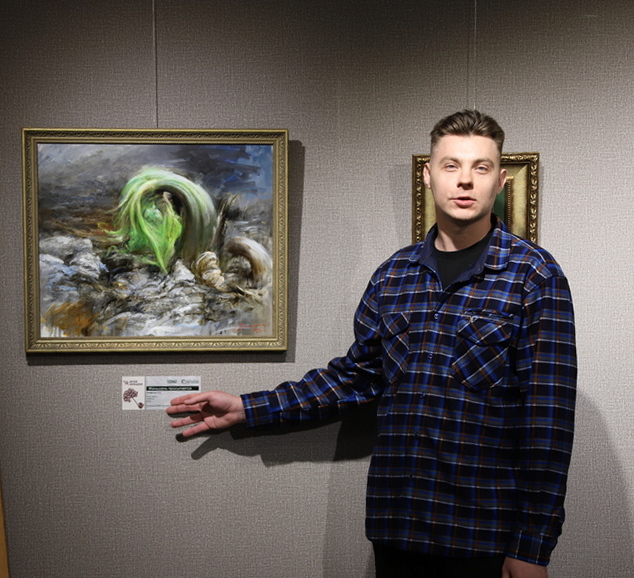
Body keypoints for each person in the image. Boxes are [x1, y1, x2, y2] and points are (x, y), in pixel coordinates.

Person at [167, 110, 577, 578]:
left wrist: (531, 547)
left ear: (500, 181)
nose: (465, 180)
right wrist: (247, 407)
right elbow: (354, 378)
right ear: (428, 175)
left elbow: (549, 420)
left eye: (480, 167)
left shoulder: (534, 276)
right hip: (397, 526)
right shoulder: (393, 275)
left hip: (482, 535)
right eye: (451, 165)